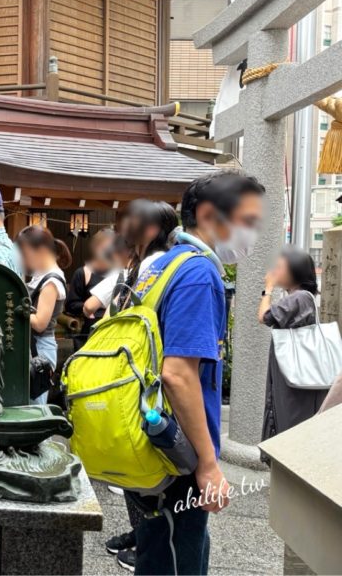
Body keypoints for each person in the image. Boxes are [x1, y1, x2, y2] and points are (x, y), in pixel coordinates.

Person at [127, 169, 265, 576]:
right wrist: (207, 464)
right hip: (177, 456)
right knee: (177, 559)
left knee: (158, 553)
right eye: (247, 219)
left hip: (150, 439)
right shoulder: (199, 274)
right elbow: (179, 375)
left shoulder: (161, 265)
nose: (251, 232)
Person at [88, 200, 178, 571]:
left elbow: (101, 323)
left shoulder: (134, 274)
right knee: (154, 483)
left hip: (126, 386)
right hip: (149, 386)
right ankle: (143, 542)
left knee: (138, 477)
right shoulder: (157, 271)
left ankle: (141, 541)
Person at [259, 248, 327, 453]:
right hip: (297, 375)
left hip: (294, 380)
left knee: (289, 420)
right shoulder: (302, 297)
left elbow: (264, 316)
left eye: (280, 268)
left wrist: (268, 289)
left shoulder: (299, 298)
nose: (275, 271)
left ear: (294, 271)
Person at [16, 225, 72, 404]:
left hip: (40, 350)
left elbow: (40, 322)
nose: (24, 260)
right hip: (34, 347)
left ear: (40, 250)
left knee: (36, 409)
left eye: (25, 254)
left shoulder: (52, 281)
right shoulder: (42, 275)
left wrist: (16, 310)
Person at [64, 228, 114, 349]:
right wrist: (86, 308)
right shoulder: (83, 273)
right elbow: (71, 304)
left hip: (113, 329)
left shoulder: (121, 273)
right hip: (89, 329)